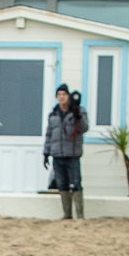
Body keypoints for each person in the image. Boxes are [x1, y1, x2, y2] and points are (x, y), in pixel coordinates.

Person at [43, 84, 88, 220]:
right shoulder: (53, 114)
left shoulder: (79, 111)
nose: (61, 97)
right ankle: (67, 214)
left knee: (75, 183)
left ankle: (80, 215)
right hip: (57, 155)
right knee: (61, 184)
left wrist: (77, 114)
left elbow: (84, 128)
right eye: (59, 95)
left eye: (64, 94)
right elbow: (49, 134)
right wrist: (46, 152)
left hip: (72, 154)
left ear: (68, 96)